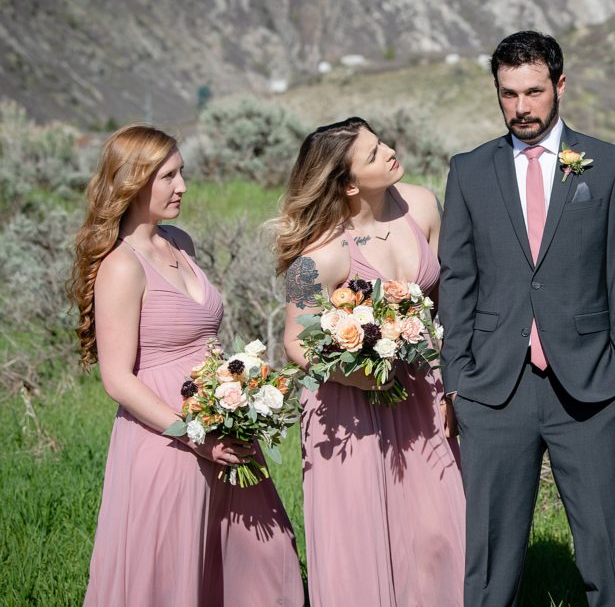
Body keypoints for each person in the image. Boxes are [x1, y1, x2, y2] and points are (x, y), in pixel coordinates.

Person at [439, 31, 615, 607]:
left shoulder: (608, 166)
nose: (522, 107)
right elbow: (457, 280)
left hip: (590, 388)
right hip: (491, 389)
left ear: (560, 86)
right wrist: (455, 380)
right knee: (489, 562)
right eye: (508, 94)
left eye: (533, 91)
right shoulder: (469, 170)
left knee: (608, 552)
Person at [69, 124, 303, 606]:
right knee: (174, 571)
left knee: (263, 555)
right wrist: (193, 435)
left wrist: (243, 395)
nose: (183, 187)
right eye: (168, 176)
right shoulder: (121, 265)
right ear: (134, 182)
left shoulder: (179, 241)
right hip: (167, 440)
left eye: (183, 173)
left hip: (223, 425)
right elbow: (116, 378)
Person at [275, 118, 465, 606]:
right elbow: (296, 343)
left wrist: (453, 382)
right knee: (360, 541)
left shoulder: (422, 205)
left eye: (382, 143)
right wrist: (359, 376)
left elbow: (448, 303)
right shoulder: (312, 259)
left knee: (439, 531)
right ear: (350, 183)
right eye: (374, 153)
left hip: (422, 390)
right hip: (347, 407)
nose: (390, 152)